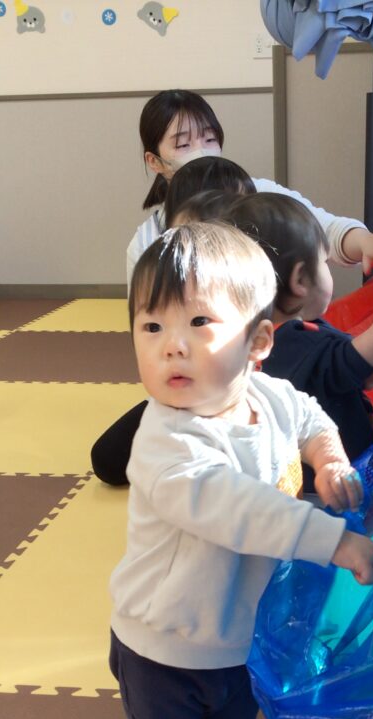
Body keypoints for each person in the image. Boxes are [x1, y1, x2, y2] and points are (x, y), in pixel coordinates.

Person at [109, 221, 373, 719]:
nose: (172, 345)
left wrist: (328, 460)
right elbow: (240, 509)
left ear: (260, 341)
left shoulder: (267, 396)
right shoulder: (165, 444)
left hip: (236, 628)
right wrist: (337, 542)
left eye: (199, 322)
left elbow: (311, 415)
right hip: (162, 642)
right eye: (151, 327)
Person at [226, 192, 373, 489]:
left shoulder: (257, 341)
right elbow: (354, 361)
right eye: (325, 261)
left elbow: (353, 375)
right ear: (300, 280)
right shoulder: (293, 342)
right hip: (329, 488)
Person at [126, 88, 373, 287]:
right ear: (154, 161)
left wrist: (364, 242)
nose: (202, 151)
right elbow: (149, 321)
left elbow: (322, 229)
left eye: (209, 139)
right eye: (183, 144)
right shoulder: (148, 240)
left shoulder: (258, 193)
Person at [91, 164, 254, 487]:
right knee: (107, 459)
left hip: (239, 398)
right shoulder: (167, 274)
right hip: (186, 395)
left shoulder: (254, 275)